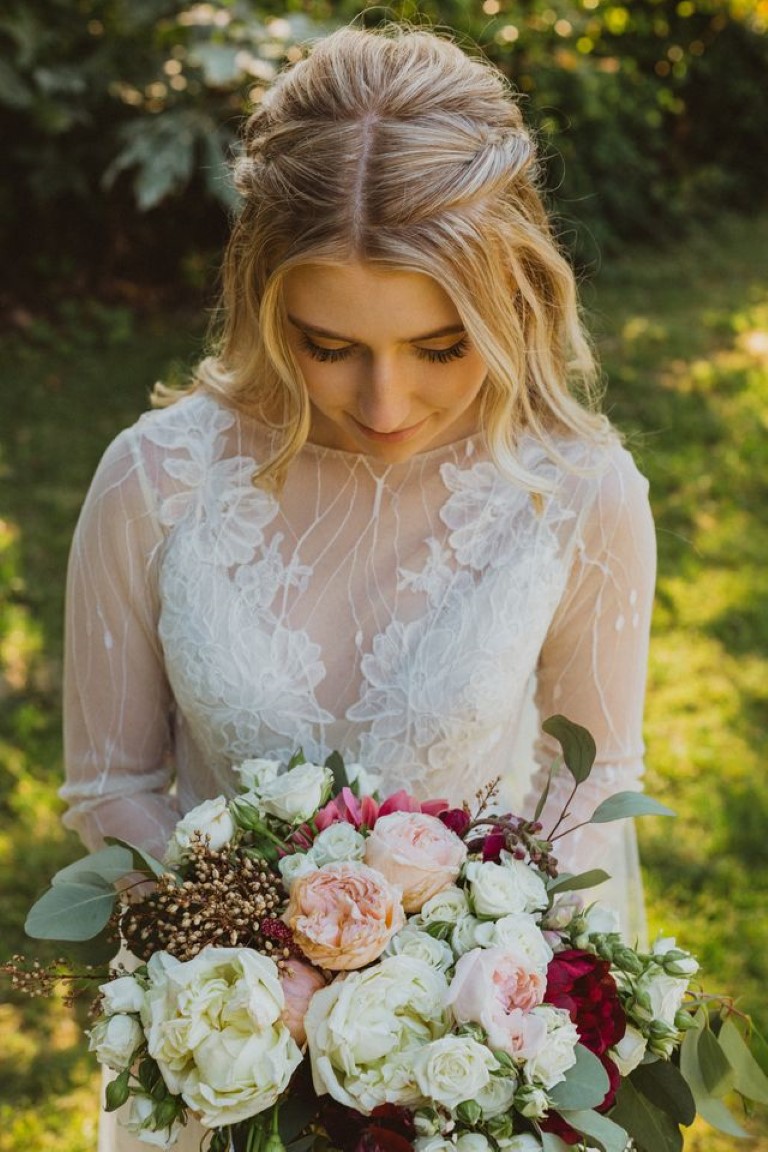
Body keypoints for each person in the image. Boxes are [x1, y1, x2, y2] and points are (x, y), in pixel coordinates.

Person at [60, 24, 656, 1152]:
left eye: (440, 347)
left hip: (470, 1072)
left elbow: (585, 794)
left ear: (513, 300)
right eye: (327, 345)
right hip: (226, 1063)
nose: (385, 402)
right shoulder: (156, 483)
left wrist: (466, 1004)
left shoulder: (580, 495)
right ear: (261, 303)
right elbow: (112, 788)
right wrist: (265, 975)